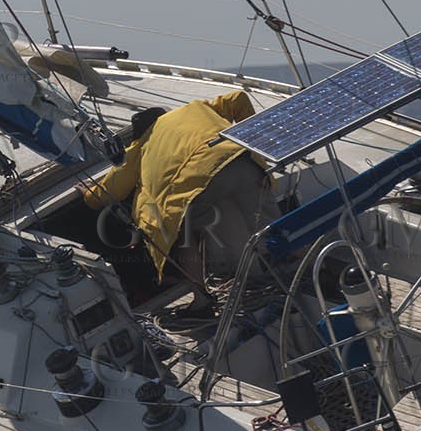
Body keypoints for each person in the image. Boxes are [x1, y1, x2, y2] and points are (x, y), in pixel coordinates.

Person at [78, 91, 278, 296]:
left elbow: (110, 191)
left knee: (183, 235)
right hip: (242, 160)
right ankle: (293, 259)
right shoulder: (196, 108)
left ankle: (204, 297)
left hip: (198, 185)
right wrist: (257, 145)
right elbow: (238, 98)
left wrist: (89, 195)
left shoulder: (140, 146)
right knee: (274, 226)